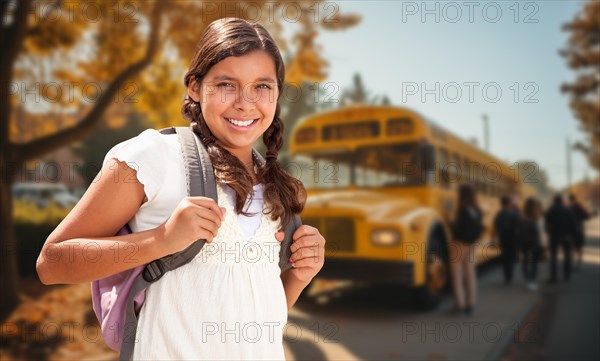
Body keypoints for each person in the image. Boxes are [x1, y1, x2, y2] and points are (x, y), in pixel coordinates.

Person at [36, 18, 326, 360]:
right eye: (226, 85)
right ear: (194, 87)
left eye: (262, 86)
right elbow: (51, 263)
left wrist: (300, 277)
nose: (245, 103)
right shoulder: (153, 156)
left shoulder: (274, 183)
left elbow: (256, 315)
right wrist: (161, 239)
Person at [450, 184, 484, 316]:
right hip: (472, 244)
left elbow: (457, 229)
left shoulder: (462, 209)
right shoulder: (477, 210)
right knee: (470, 274)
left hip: (459, 244)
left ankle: (460, 304)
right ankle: (471, 304)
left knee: (457, 274)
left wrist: (449, 221)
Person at [544, 194, 578, 284]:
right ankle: (566, 274)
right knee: (567, 255)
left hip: (554, 236)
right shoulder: (568, 211)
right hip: (567, 236)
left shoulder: (551, 210)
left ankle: (553, 276)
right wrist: (573, 236)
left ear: (554, 201)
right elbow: (573, 225)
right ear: (561, 201)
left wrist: (548, 233)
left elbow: (546, 224)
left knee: (553, 256)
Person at [493, 196, 520, 285]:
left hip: (503, 239)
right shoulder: (514, 214)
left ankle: (506, 277)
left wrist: (495, 238)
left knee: (505, 258)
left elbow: (496, 227)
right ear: (508, 204)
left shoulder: (499, 214)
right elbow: (518, 227)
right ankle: (509, 276)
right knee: (511, 258)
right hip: (512, 239)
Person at [516, 197, 542, 291]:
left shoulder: (522, 217)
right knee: (534, 263)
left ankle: (528, 279)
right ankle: (531, 281)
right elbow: (537, 233)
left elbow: (518, 231)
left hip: (524, 244)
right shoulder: (535, 218)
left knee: (525, 262)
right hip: (533, 244)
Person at [568, 193, 591, 268]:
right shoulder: (579, 207)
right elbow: (587, 216)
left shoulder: (568, 208)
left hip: (571, 230)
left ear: (570, 200)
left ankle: (572, 262)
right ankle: (579, 262)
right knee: (579, 246)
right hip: (579, 229)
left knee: (572, 246)